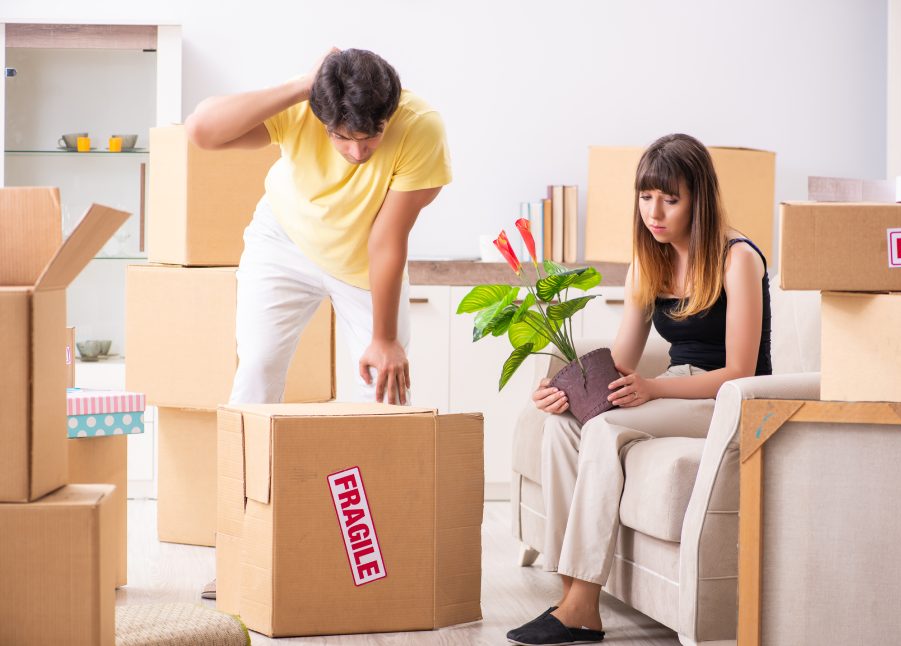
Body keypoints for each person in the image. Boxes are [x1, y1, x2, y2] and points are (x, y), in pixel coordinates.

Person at [184, 48, 451, 600]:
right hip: (283, 242)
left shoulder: (421, 127)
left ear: (390, 112)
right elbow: (202, 132)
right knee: (254, 379)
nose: (356, 151)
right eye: (341, 136)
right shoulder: (303, 106)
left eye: (369, 137)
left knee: (383, 400)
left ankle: (371, 559)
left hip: (361, 262)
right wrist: (303, 84)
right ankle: (240, 553)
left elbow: (387, 239)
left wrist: (383, 338)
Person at [506, 133, 771, 645]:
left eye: (671, 199)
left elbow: (741, 371)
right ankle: (573, 598)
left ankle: (578, 608)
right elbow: (621, 362)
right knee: (565, 426)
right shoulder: (649, 262)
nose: (656, 211)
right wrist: (563, 389)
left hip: (726, 400)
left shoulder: (737, 259)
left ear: (700, 199)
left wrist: (650, 388)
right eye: (647, 197)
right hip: (673, 388)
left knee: (604, 429)